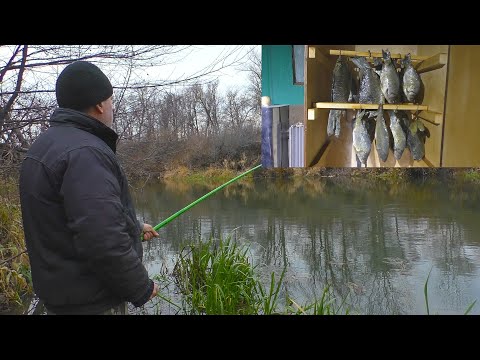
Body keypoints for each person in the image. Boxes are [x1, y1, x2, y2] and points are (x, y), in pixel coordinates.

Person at [19, 61, 160, 315]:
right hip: (92, 303)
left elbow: (69, 218)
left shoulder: (42, 147)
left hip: (62, 299)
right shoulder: (86, 152)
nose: (112, 107)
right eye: (111, 100)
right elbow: (102, 239)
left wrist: (135, 227)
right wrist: (141, 287)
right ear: (99, 104)